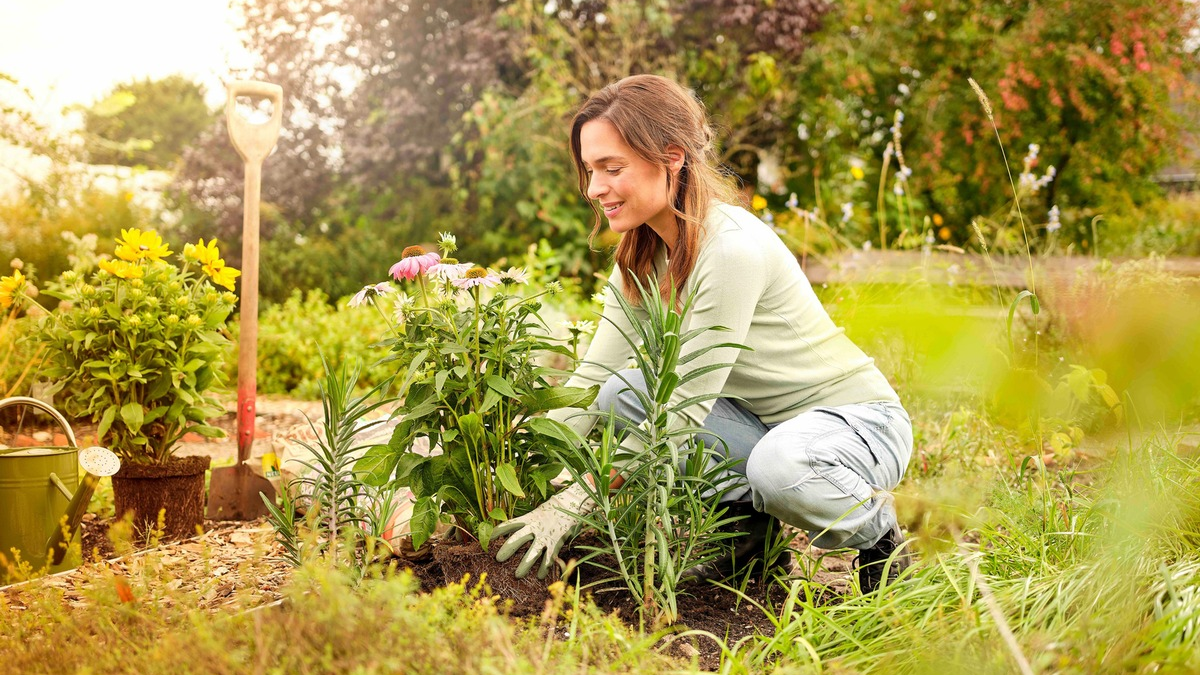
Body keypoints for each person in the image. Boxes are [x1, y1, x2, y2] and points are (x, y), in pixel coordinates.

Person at [493, 74, 913, 594]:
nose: (594, 188)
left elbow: (683, 411)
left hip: (855, 428)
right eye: (589, 170)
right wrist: (511, 468)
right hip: (760, 428)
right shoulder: (643, 258)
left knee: (778, 467)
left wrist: (575, 500)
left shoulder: (731, 248)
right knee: (619, 394)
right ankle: (749, 549)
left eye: (612, 168)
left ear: (672, 156)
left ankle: (879, 537)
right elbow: (589, 378)